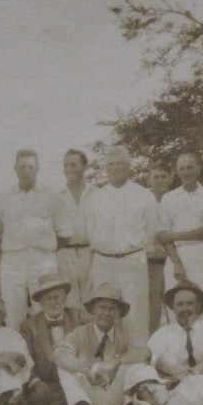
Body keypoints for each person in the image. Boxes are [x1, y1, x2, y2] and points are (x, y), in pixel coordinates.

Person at [52, 282, 150, 405]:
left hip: (117, 398)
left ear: (118, 313)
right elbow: (58, 354)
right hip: (89, 397)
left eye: (112, 309)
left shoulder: (124, 333)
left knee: (137, 365)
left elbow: (144, 352)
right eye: (102, 307)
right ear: (93, 310)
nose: (106, 313)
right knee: (64, 367)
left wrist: (117, 361)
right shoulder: (81, 332)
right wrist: (86, 370)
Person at [86, 146, 159, 344]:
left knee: (135, 312)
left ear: (128, 167)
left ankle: (137, 359)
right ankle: (104, 357)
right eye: (111, 164)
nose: (115, 168)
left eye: (119, 163)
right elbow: (91, 231)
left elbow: (151, 230)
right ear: (105, 168)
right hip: (103, 261)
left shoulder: (144, 195)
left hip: (132, 260)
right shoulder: (95, 198)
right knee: (104, 310)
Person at [0, 149, 59, 332]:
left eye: (30, 167)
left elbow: (64, 232)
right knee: (12, 314)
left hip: (42, 259)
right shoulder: (4, 197)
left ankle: (50, 358)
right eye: (22, 167)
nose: (26, 170)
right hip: (12, 260)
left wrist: (45, 251)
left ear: (38, 169)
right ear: (15, 169)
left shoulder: (51, 195)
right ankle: (18, 357)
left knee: (46, 311)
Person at [157, 152, 203, 322]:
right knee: (175, 304)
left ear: (198, 169)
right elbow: (162, 236)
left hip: (202, 255)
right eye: (181, 168)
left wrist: (173, 235)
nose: (186, 172)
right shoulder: (168, 198)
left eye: (190, 167)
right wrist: (177, 263)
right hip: (175, 257)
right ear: (177, 172)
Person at [20, 273, 88, 405]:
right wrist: (35, 381)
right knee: (38, 398)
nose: (53, 303)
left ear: (64, 298)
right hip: (47, 382)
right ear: (40, 302)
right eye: (48, 299)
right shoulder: (30, 325)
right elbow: (26, 358)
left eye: (57, 297)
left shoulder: (78, 316)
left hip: (77, 378)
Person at [147, 280, 203, 381]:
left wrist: (199, 368)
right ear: (173, 307)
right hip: (178, 384)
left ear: (197, 306)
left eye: (189, 304)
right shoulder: (162, 333)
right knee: (166, 357)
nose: (184, 308)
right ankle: (187, 378)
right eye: (180, 305)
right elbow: (153, 360)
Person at [55, 149, 95, 311]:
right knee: (69, 303)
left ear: (84, 167)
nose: (69, 169)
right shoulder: (56, 195)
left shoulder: (96, 194)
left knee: (91, 300)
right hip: (65, 254)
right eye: (66, 165)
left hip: (91, 253)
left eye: (73, 164)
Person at [146, 162, 172, 332]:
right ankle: (152, 345)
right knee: (153, 307)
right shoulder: (144, 202)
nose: (160, 181)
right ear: (149, 179)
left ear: (170, 179)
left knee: (173, 305)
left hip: (172, 260)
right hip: (150, 262)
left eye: (163, 177)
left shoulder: (176, 200)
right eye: (156, 177)